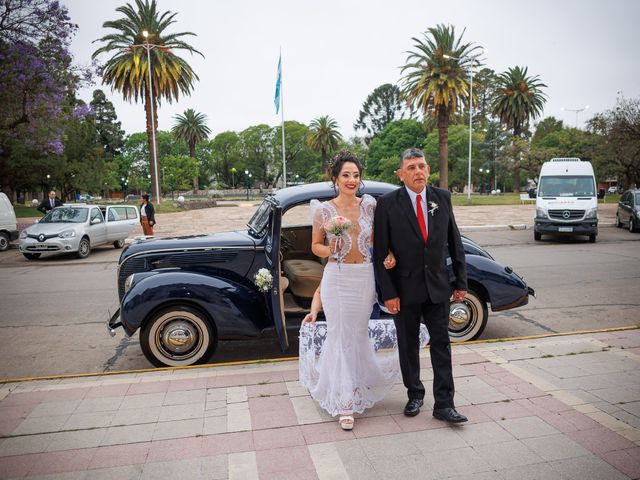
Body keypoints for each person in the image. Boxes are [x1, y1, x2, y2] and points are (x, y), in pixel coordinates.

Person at [298, 150, 398, 431]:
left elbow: (379, 242)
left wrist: (388, 254)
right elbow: (315, 246)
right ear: (335, 178)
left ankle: (355, 385)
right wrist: (330, 248)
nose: (352, 180)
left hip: (364, 276)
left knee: (357, 335)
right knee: (340, 335)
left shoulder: (370, 206)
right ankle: (345, 402)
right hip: (337, 277)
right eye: (346, 175)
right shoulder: (324, 210)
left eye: (356, 175)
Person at [373, 148, 469, 423]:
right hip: (404, 291)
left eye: (422, 166)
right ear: (400, 174)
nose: (418, 172)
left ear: (428, 170)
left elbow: (455, 242)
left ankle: (444, 404)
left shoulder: (442, 198)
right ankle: (414, 394)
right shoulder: (388, 204)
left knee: (442, 345)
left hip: (438, 288)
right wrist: (388, 293)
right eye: (411, 167)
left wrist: (460, 281)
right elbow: (381, 252)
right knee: (408, 345)